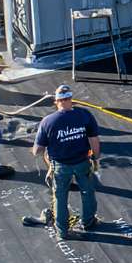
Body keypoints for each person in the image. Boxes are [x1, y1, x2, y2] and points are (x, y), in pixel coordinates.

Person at [32, 84, 101, 240]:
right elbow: (94, 140)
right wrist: (95, 159)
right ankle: (88, 221)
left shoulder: (48, 121)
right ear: (71, 99)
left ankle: (62, 231)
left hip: (60, 166)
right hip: (82, 162)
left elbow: (38, 151)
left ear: (56, 101)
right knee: (87, 191)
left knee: (60, 197)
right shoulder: (84, 115)